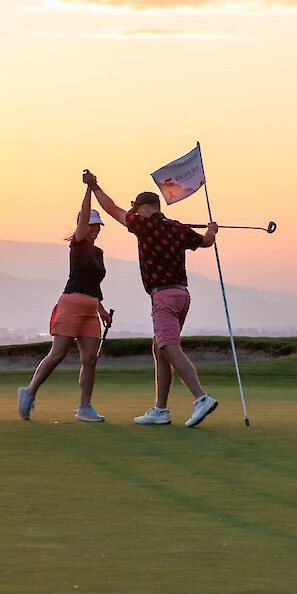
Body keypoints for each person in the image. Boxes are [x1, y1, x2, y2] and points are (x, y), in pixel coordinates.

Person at [83, 171, 219, 428]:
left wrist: (95, 186)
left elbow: (112, 209)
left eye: (137, 208)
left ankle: (200, 397)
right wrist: (212, 230)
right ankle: (160, 410)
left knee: (169, 346)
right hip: (182, 295)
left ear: (145, 209)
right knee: (160, 349)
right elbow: (206, 242)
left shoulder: (144, 224)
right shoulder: (178, 228)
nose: (134, 212)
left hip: (164, 295)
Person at [17, 183, 113, 423]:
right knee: (58, 353)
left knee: (90, 359)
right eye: (91, 225)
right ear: (83, 225)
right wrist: (90, 188)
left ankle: (85, 407)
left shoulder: (98, 252)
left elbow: (94, 283)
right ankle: (29, 393)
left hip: (91, 309)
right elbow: (83, 214)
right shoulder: (78, 245)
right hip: (71, 304)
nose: (95, 230)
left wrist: (101, 309)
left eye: (97, 226)